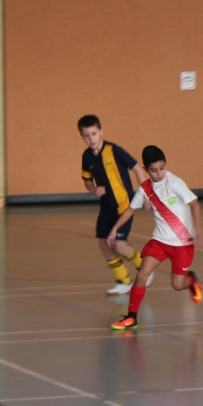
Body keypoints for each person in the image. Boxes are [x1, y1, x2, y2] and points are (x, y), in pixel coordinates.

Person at [108, 145, 203, 330]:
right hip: (160, 241)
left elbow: (195, 204)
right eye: (154, 170)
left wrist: (198, 230)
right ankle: (131, 317)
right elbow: (131, 209)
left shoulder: (175, 182)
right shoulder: (145, 188)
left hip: (182, 243)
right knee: (142, 276)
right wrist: (115, 228)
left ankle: (191, 281)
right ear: (145, 170)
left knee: (177, 285)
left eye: (162, 168)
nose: (159, 173)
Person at [79, 115, 152, 295]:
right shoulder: (87, 157)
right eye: (87, 135)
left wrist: (146, 194)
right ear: (82, 137)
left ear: (101, 131)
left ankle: (145, 269)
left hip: (125, 205)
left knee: (118, 244)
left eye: (94, 133)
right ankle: (124, 280)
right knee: (104, 244)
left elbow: (137, 168)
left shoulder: (114, 150)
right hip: (106, 207)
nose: (91, 139)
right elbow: (87, 180)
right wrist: (93, 189)